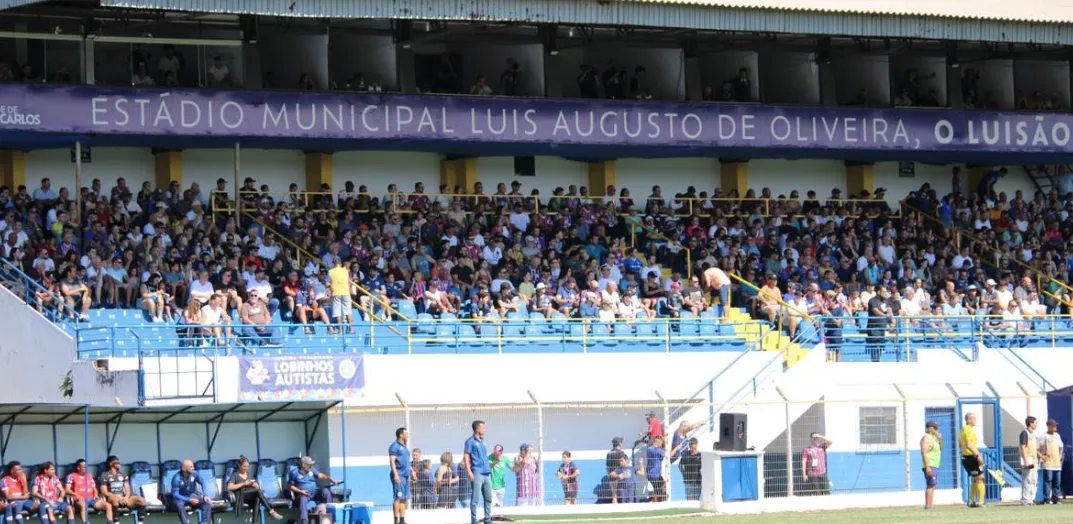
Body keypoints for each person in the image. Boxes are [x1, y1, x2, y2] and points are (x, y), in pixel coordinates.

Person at [226, 456, 283, 523]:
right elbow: (229, 487)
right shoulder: (235, 474)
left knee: (257, 498)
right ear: (239, 466)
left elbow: (248, 483)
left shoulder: (247, 473)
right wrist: (243, 483)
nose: (246, 468)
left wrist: (253, 483)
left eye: (247, 466)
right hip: (240, 495)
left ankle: (255, 522)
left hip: (247, 493)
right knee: (257, 491)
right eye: (244, 466)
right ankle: (271, 511)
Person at [287, 457, 337, 524]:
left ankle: (330, 516)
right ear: (303, 465)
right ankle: (304, 521)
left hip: (315, 492)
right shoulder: (294, 473)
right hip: (303, 494)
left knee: (325, 491)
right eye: (309, 464)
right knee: (303, 499)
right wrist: (301, 491)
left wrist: (331, 480)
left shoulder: (312, 470)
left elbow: (321, 475)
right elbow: (290, 486)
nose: (311, 466)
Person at [64, 459, 112, 524]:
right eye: (84, 467)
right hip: (79, 499)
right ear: (78, 468)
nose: (86, 468)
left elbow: (94, 488)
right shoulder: (71, 476)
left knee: (108, 505)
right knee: (83, 505)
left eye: (86, 466)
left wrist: (96, 494)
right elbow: (67, 490)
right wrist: (77, 495)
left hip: (91, 498)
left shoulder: (89, 475)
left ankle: (110, 523)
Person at [463, 420, 491, 524]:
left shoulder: (483, 440)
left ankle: (488, 519)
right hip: (477, 472)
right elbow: (466, 457)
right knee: (475, 499)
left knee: (488, 498)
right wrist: (469, 471)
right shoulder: (470, 441)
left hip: (486, 472)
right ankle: (474, 520)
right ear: (477, 428)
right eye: (483, 427)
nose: (485, 429)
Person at [170, 459, 212, 524]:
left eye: (193, 466)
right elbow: (175, 494)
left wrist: (205, 495)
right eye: (191, 467)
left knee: (207, 502)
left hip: (191, 496)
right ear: (184, 468)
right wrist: (189, 500)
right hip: (180, 498)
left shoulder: (194, 473)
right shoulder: (176, 478)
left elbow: (203, 482)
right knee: (179, 505)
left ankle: (204, 522)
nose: (193, 468)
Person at [958, 413, 986, 508]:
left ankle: (971, 500)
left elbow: (960, 445)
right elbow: (969, 444)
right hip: (971, 457)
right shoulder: (968, 430)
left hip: (966, 458)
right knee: (981, 478)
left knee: (976, 479)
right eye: (973, 418)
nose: (975, 420)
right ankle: (981, 502)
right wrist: (978, 455)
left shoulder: (962, 430)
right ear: (968, 420)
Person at [388, 428, 411, 524]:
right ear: (401, 435)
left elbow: (407, 461)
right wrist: (396, 475)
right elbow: (392, 462)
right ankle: (395, 520)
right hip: (399, 475)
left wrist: (412, 472)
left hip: (406, 476)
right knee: (398, 497)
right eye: (406, 434)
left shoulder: (405, 447)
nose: (408, 435)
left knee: (404, 498)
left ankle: (402, 520)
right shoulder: (394, 446)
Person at [1041, 419, 1064, 505]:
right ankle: (1047, 499)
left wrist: (1060, 455)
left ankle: (1056, 498)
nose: (1055, 427)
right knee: (1048, 481)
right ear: (1049, 426)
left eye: (1056, 425)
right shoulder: (1044, 436)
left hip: (1057, 463)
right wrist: (1041, 456)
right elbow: (1037, 448)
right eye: (1054, 425)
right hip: (1048, 463)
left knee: (1057, 482)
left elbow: (1061, 446)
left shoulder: (1057, 435)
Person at [920, 421, 943, 509]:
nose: (937, 430)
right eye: (935, 428)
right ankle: (928, 505)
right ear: (930, 428)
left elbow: (941, 448)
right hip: (929, 465)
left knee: (932, 484)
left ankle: (931, 504)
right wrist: (928, 467)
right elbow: (924, 452)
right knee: (930, 484)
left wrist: (940, 439)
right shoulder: (926, 438)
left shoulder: (935, 438)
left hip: (935, 464)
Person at [327, 257, 354, 332]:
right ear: (341, 263)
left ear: (333, 263)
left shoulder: (330, 271)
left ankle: (340, 329)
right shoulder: (346, 271)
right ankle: (351, 329)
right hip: (346, 292)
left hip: (336, 292)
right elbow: (349, 281)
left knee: (337, 312)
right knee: (348, 311)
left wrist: (330, 284)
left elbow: (326, 283)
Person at [1018, 416, 1039, 506]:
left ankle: (1031, 499)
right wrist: (1025, 460)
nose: (1037, 425)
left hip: (1034, 460)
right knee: (1027, 479)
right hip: (1028, 459)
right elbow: (1022, 447)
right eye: (1035, 423)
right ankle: (1025, 499)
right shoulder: (1024, 433)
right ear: (1031, 423)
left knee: (1034, 480)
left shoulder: (1033, 434)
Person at [605, 437, 627, 504]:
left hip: (612, 475)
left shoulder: (609, 453)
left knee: (614, 496)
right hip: (620, 475)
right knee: (623, 493)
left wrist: (610, 474)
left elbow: (608, 466)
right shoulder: (621, 452)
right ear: (619, 443)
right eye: (621, 442)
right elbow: (623, 464)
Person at [644, 436, 667, 502]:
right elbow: (665, 454)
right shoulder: (651, 449)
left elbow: (662, 456)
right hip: (652, 474)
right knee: (657, 489)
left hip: (656, 474)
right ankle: (654, 502)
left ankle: (655, 500)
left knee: (662, 485)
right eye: (660, 443)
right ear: (657, 442)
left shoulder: (657, 449)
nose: (661, 445)